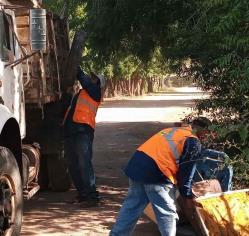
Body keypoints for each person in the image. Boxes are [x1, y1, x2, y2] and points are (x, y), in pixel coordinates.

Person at [110, 118, 209, 236]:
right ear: (204, 131)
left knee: (131, 208)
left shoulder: (173, 131)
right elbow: (186, 175)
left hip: (137, 166)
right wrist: (188, 197)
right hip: (157, 173)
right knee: (167, 213)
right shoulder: (193, 142)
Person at [63, 66, 106, 208]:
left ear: (98, 83)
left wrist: (77, 67)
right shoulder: (82, 93)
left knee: (84, 164)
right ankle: (82, 194)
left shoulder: (95, 93)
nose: (91, 78)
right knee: (72, 164)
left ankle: (92, 197)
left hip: (83, 132)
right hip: (71, 131)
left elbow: (83, 79)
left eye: (94, 78)